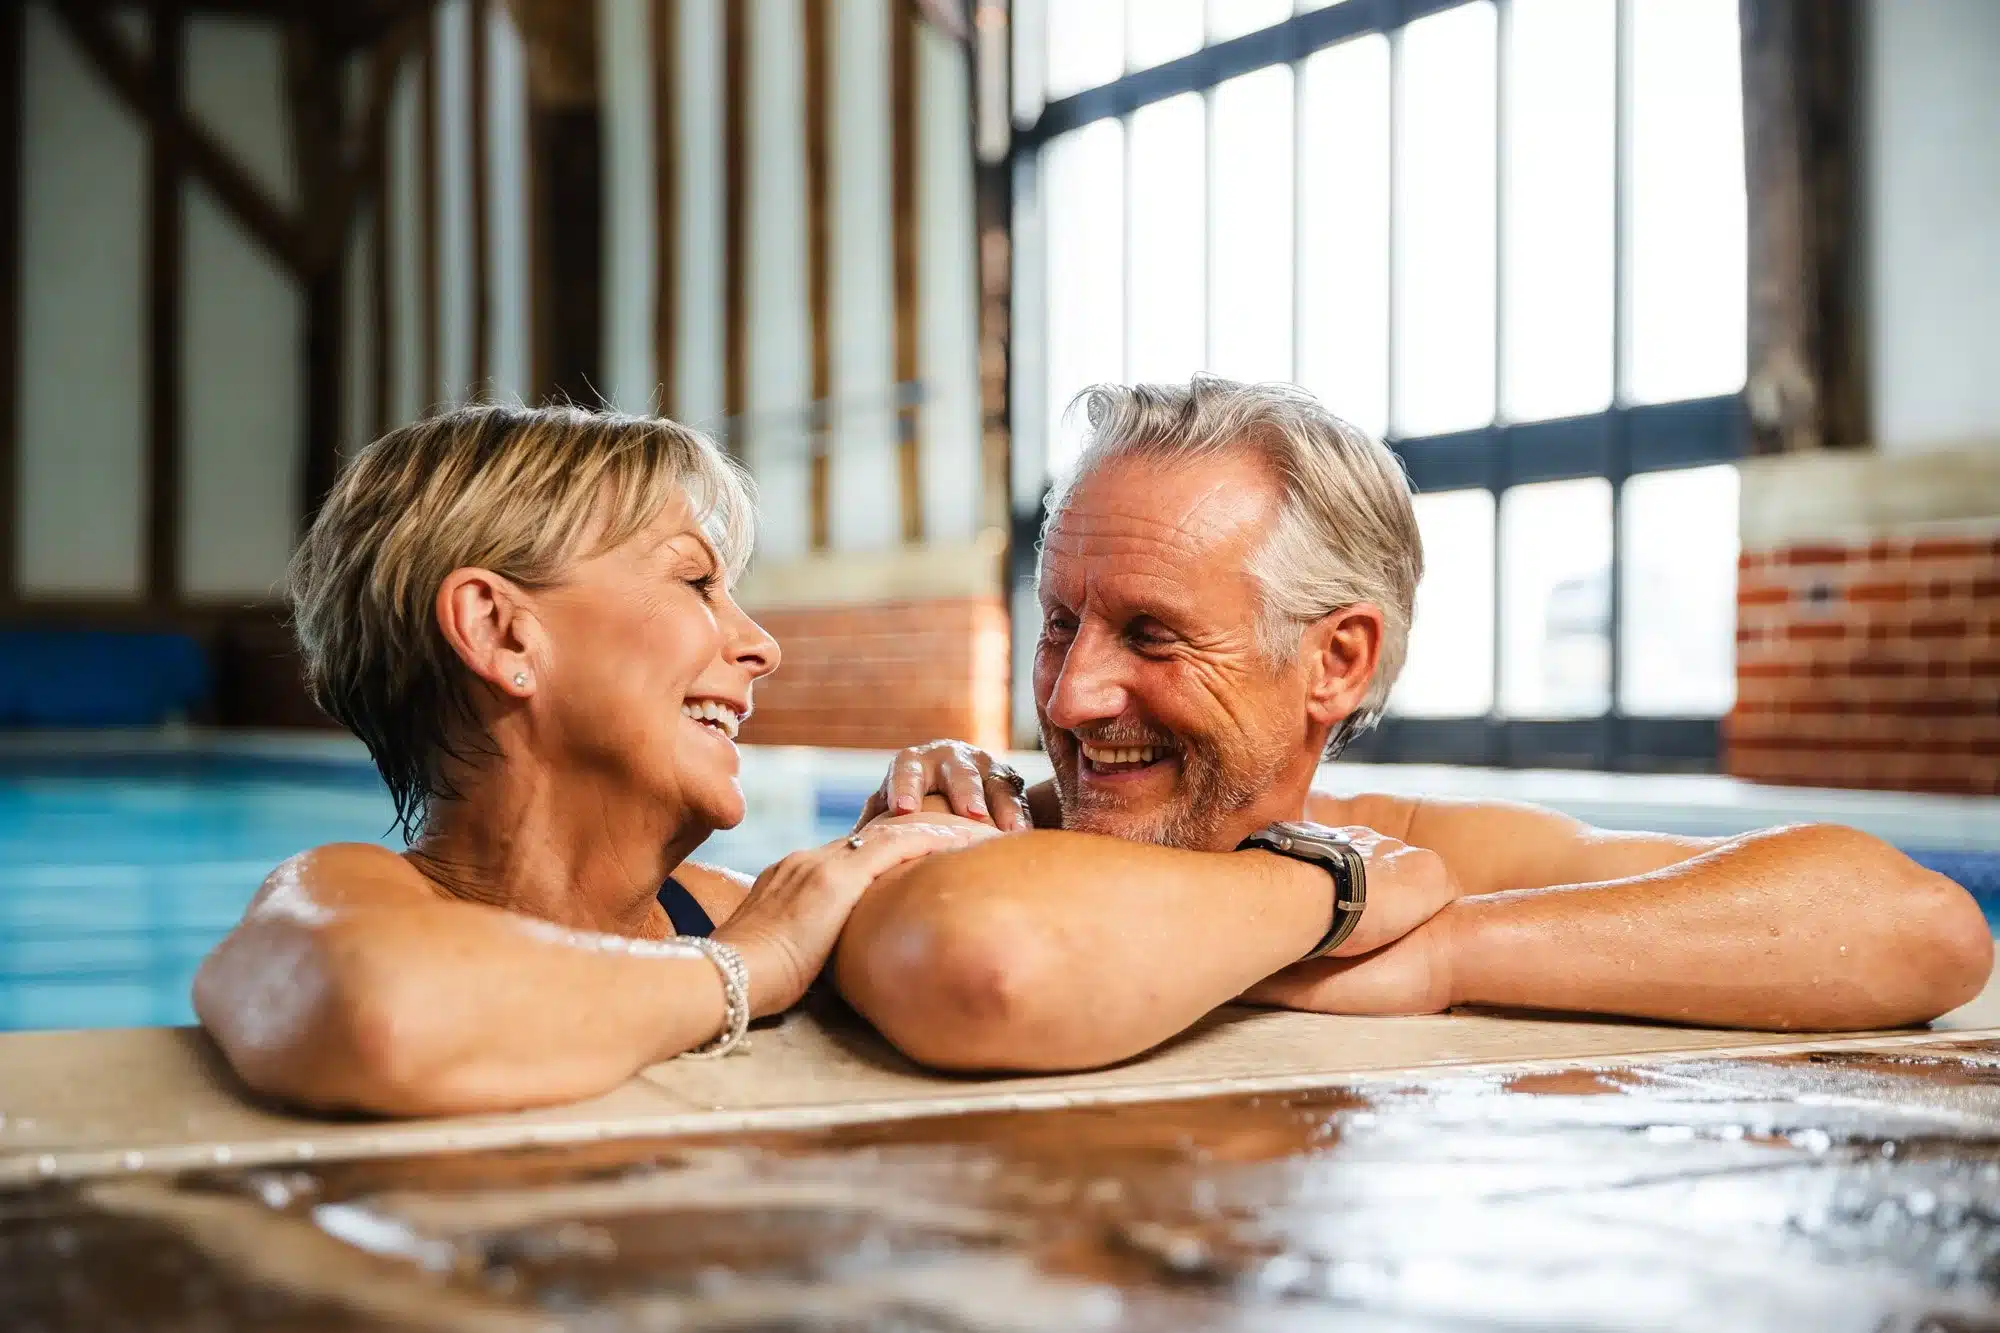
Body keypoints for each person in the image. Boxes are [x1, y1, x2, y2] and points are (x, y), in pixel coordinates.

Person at [834, 376, 1994, 1073]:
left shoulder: (1425, 864)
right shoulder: (974, 832)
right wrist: (1336, 909)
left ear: (1335, 660)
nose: (1070, 696)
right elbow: (988, 962)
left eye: (1149, 635)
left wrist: (1446, 954)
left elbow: (1917, 926)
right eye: (1058, 624)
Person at [194, 405, 995, 1117]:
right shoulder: (345, 899)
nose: (762, 645)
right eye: (695, 581)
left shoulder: (729, 906)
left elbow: (992, 962)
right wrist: (746, 968)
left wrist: (953, 816)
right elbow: (383, 1012)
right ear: (501, 632)